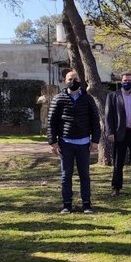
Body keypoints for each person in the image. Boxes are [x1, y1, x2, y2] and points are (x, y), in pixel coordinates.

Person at [47, 70, 101, 214]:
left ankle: (86, 204)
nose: (73, 81)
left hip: (84, 144)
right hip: (65, 144)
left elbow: (95, 121)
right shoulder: (58, 99)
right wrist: (53, 142)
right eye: (70, 78)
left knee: (85, 175)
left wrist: (95, 141)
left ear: (80, 80)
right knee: (66, 175)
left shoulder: (88, 99)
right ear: (65, 81)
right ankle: (66, 204)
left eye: (76, 78)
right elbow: (51, 122)